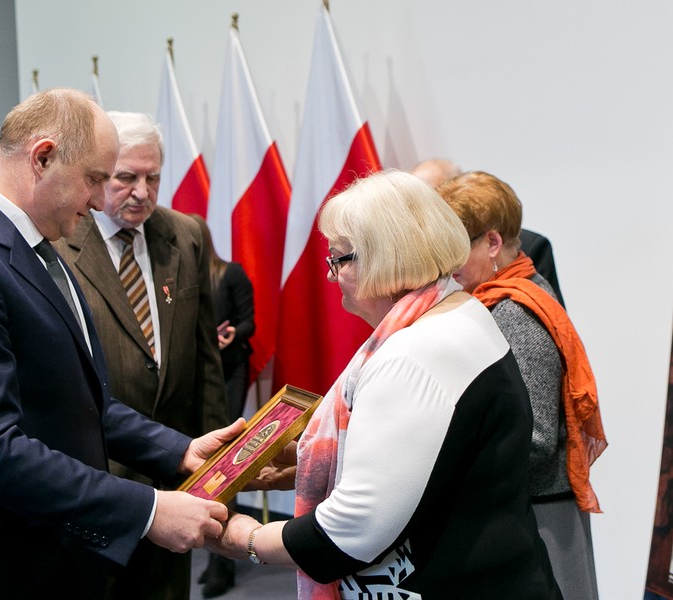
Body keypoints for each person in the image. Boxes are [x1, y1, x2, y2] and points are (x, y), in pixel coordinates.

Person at [0, 89, 242, 600]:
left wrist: (178, 450)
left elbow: (78, 401)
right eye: (95, 178)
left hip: (47, 562)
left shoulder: (36, 247)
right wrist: (147, 510)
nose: (98, 201)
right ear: (43, 157)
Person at [207, 170, 562, 599]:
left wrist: (246, 538)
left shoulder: (412, 354)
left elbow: (350, 533)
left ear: (383, 258)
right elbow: (431, 461)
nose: (330, 276)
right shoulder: (459, 310)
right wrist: (313, 465)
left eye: (338, 259)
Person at [52, 111, 228, 600]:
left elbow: (206, 361)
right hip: (97, 475)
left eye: (153, 178)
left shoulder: (186, 234)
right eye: (126, 178)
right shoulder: (59, 243)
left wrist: (218, 471)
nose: (142, 192)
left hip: (174, 472)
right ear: (97, 176)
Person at [438, 170, 607, 600]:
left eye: (454, 248)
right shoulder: (510, 293)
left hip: (540, 517)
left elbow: (535, 439)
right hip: (527, 511)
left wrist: (448, 462)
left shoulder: (516, 312)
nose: (446, 265)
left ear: (492, 243)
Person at [189, 213, 256, 598]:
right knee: (203, 465)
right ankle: (213, 549)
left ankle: (222, 562)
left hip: (229, 373)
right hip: (195, 377)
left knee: (225, 464)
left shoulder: (231, 273)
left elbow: (249, 323)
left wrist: (232, 333)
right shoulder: (179, 278)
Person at [411, 158, 565, 306]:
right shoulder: (515, 290)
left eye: (457, 248)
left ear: (492, 243)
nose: (448, 262)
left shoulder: (510, 309)